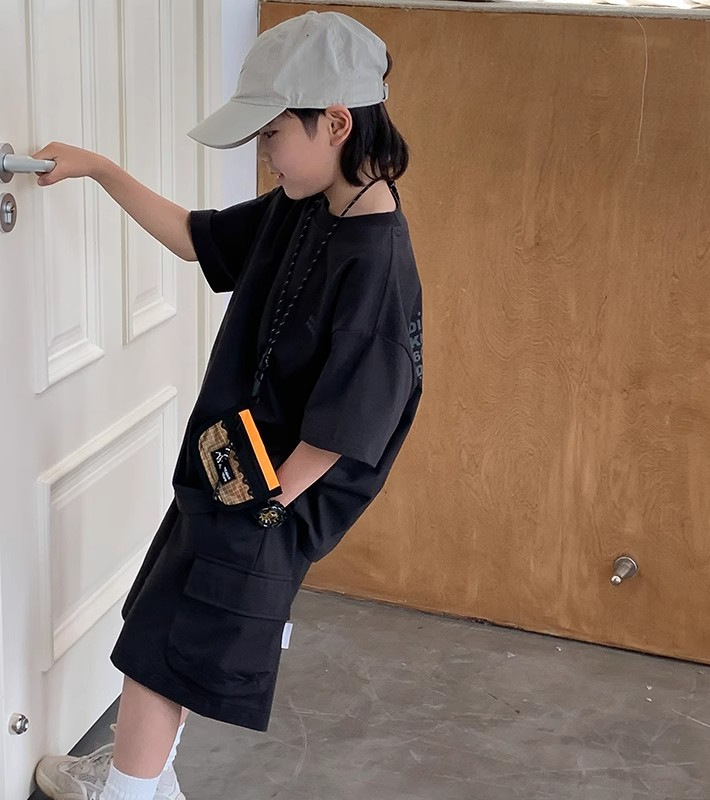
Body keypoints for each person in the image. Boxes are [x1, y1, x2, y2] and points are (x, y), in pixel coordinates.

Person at [32, 11, 423, 800]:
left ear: (336, 123)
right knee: (166, 639)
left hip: (268, 497)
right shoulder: (306, 206)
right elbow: (193, 238)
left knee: (157, 655)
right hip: (232, 478)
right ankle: (144, 782)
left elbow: (350, 427)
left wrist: (260, 509)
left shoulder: (376, 264)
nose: (265, 153)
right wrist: (100, 169)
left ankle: (128, 793)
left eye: (273, 133)